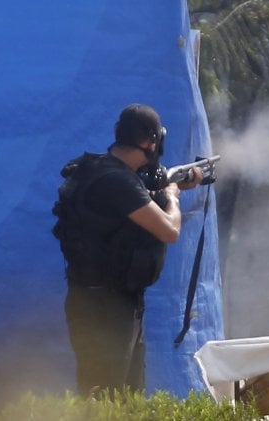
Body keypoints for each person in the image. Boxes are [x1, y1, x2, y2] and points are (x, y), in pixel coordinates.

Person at [52, 103, 203, 396]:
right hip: (107, 310)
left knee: (125, 401)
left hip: (103, 301)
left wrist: (173, 185)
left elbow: (133, 207)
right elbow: (169, 230)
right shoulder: (118, 182)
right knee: (107, 402)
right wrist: (173, 196)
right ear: (149, 142)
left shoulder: (100, 171)